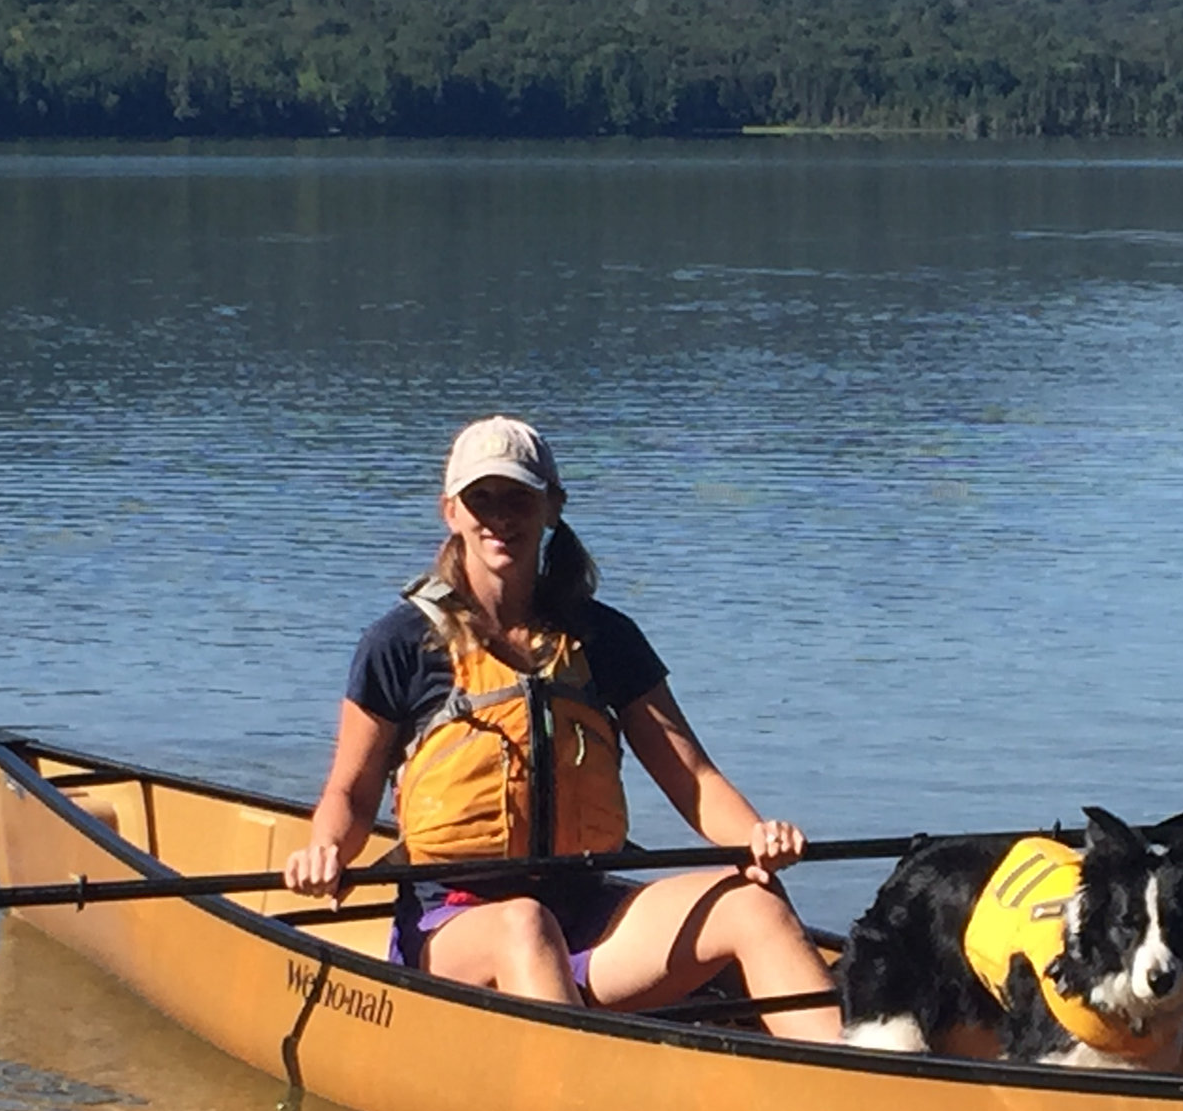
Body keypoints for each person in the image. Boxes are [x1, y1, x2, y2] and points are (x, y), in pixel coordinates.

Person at [281, 415, 842, 1041]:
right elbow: (351, 795)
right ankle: (587, 1101)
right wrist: (324, 850)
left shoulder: (604, 639)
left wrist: (757, 839)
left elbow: (693, 778)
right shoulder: (399, 645)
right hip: (453, 926)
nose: (500, 517)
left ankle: (856, 1088)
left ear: (552, 508)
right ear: (451, 512)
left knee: (753, 904)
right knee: (523, 922)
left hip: (583, 915)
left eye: (518, 497)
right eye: (480, 499)